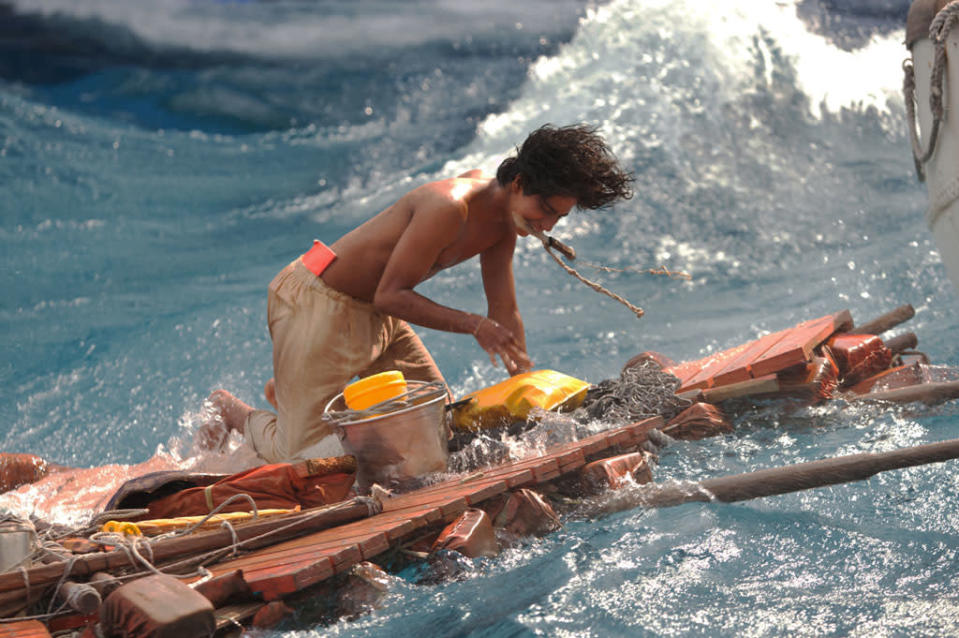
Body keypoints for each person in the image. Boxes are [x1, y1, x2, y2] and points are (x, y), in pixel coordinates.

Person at [203, 124, 634, 463]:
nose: (549, 226)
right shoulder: (450, 206)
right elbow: (391, 295)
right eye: (546, 211)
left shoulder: (506, 223)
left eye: (559, 217)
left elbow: (504, 310)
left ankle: (296, 390)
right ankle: (234, 410)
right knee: (298, 459)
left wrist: (529, 391)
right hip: (316, 302)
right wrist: (473, 326)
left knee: (434, 429)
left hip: (375, 314)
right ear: (519, 183)